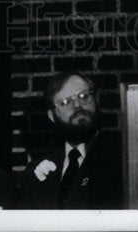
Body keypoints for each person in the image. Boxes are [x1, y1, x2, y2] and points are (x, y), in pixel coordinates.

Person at [17, 71, 123, 209]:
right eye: (65, 102)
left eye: (83, 96)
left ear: (96, 100)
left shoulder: (123, 156)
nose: (77, 105)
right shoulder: (34, 173)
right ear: (52, 116)